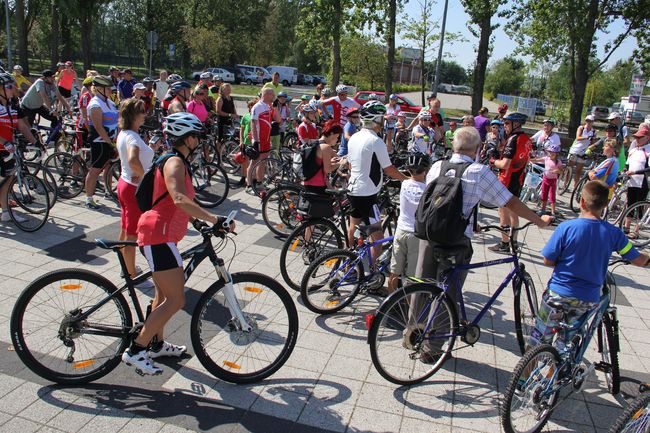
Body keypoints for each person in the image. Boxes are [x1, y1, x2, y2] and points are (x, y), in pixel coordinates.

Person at [410, 127, 551, 362]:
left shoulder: (437, 166)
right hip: (455, 241)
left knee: (422, 284)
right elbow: (510, 201)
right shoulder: (478, 171)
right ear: (477, 149)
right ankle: (433, 349)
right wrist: (538, 220)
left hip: (428, 235)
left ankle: (413, 333)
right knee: (448, 293)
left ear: (454, 146)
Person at [122, 112, 234, 375]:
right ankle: (136, 350)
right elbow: (179, 199)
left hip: (162, 235)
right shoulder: (175, 163)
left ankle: (156, 344)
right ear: (186, 138)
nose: (199, 141)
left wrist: (199, 223)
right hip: (157, 236)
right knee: (176, 299)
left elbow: (177, 205)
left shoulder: (176, 161)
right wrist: (214, 218)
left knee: (162, 295)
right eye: (196, 136)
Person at [529, 180, 649, 349]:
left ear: (582, 201)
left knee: (539, 339)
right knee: (567, 344)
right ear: (606, 204)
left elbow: (548, 259)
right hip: (587, 298)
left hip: (558, 293)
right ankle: (559, 369)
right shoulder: (614, 233)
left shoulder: (566, 227)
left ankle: (527, 371)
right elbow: (637, 258)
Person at [345, 100, 409, 264]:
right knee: (378, 238)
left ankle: (348, 261)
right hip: (367, 194)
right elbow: (389, 169)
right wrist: (407, 179)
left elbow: (352, 165)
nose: (384, 122)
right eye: (382, 118)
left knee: (353, 227)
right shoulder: (375, 141)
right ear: (375, 119)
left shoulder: (354, 137)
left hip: (353, 189)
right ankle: (370, 273)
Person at [116, 98, 160, 288]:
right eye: (142, 111)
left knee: (125, 229)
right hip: (133, 189)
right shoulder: (133, 137)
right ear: (134, 116)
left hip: (124, 184)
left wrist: (151, 149)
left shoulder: (125, 133)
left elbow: (133, 158)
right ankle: (131, 273)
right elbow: (134, 159)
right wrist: (145, 177)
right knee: (132, 234)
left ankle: (125, 266)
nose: (145, 114)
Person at [489, 112, 532, 253]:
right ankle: (514, 242)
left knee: (503, 213)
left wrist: (493, 160)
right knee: (514, 213)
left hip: (506, 180)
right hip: (518, 180)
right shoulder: (526, 138)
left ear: (516, 124)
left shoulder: (513, 139)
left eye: (507, 123)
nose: (504, 126)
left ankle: (504, 244)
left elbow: (505, 164)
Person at [388, 152, 429, 294]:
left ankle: (390, 301)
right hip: (416, 235)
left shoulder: (404, 184)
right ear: (425, 171)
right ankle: (408, 309)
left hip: (401, 231)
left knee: (394, 272)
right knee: (412, 277)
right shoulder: (427, 190)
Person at [0, 73, 38, 224]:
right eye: (9, 86)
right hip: (3, 147)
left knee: (7, 181)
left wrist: (35, 143)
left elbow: (22, 126)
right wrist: (4, 141)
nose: (13, 89)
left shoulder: (11, 106)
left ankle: (5, 213)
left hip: (6, 150)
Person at [84, 75, 119, 209]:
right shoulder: (95, 104)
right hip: (100, 142)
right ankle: (88, 199)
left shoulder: (109, 102)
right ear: (99, 89)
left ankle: (108, 191)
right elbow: (98, 127)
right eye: (108, 88)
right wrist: (109, 142)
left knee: (109, 166)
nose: (111, 90)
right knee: (95, 170)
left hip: (110, 141)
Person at [250, 87, 280, 191]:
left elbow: (278, 120)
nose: (274, 97)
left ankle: (259, 182)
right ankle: (249, 185)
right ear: (267, 95)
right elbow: (253, 124)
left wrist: (275, 107)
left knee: (263, 162)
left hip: (266, 139)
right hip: (259, 139)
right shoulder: (257, 107)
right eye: (273, 95)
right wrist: (256, 140)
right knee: (254, 162)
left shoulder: (268, 106)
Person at [623, 124, 650, 236]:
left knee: (639, 205)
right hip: (631, 180)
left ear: (647, 137)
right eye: (636, 137)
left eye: (640, 137)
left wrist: (635, 172)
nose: (637, 139)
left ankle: (636, 230)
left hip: (643, 181)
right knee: (630, 202)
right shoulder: (633, 149)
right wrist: (625, 170)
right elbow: (627, 164)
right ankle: (626, 226)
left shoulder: (648, 150)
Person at [303, 120, 342, 194]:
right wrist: (341, 163)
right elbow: (327, 169)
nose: (337, 140)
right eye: (337, 136)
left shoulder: (315, 143)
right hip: (318, 185)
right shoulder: (326, 147)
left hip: (309, 182)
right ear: (332, 134)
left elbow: (318, 164)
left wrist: (331, 162)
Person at [530, 143, 563, 215]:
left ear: (557, 154)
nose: (551, 154)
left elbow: (561, 171)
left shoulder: (558, 162)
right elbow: (537, 160)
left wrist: (557, 171)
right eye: (550, 152)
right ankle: (543, 209)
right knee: (544, 195)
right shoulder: (546, 158)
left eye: (553, 153)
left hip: (552, 181)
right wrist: (530, 160)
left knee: (552, 196)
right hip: (545, 179)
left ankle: (553, 211)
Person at [567, 114, 597, 190]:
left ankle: (575, 186)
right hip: (575, 149)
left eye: (590, 121)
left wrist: (593, 142)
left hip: (584, 151)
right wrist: (587, 137)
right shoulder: (581, 128)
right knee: (569, 168)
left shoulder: (593, 131)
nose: (588, 122)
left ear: (592, 122)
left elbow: (592, 143)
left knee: (578, 171)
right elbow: (578, 137)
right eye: (587, 120)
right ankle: (565, 183)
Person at [237, 98, 258, 188]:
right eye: (249, 107)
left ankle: (253, 179)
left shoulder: (257, 117)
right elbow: (241, 130)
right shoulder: (245, 117)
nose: (250, 109)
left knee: (254, 162)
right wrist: (241, 141)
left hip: (254, 142)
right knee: (244, 161)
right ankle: (243, 178)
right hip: (246, 142)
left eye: (252, 107)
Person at [75, 76, 94, 150]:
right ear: (89, 86)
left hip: (92, 124)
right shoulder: (85, 97)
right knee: (81, 149)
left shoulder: (96, 96)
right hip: (83, 126)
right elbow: (84, 116)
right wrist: (90, 130)